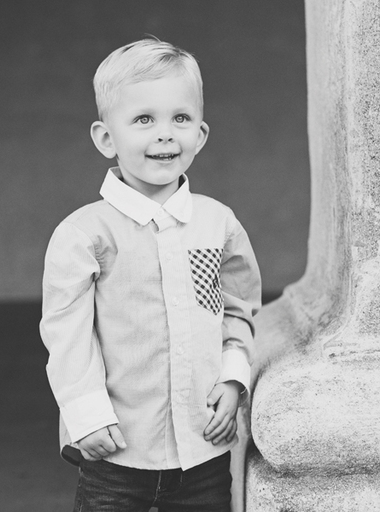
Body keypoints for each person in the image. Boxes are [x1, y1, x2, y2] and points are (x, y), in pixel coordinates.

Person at [40, 37, 261, 512]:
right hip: (116, 451)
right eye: (144, 119)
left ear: (200, 135)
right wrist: (86, 415)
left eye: (180, 119)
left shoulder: (217, 223)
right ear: (106, 138)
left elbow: (239, 309)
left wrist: (233, 379)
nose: (165, 134)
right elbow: (67, 334)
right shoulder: (83, 234)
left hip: (204, 448)